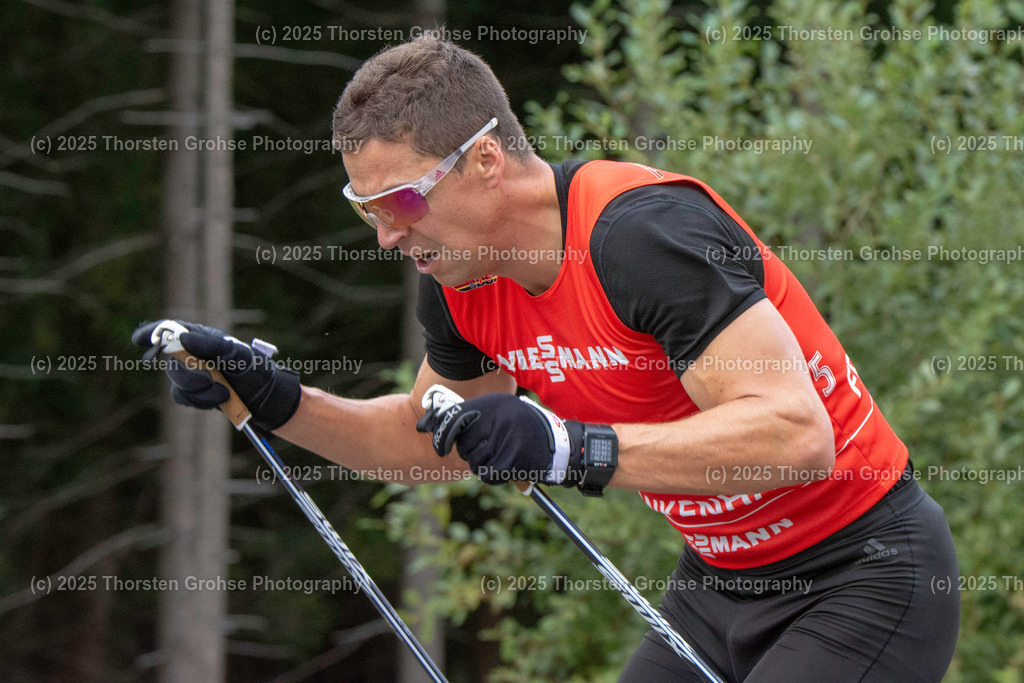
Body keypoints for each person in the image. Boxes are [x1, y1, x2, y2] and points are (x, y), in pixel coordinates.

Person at [133, 37, 959, 681]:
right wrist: (278, 400)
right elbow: (429, 441)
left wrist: (569, 447)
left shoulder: (642, 236)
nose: (388, 236)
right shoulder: (462, 278)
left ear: (486, 160)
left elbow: (793, 437)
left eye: (403, 202)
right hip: (721, 585)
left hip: (864, 569)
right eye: (366, 210)